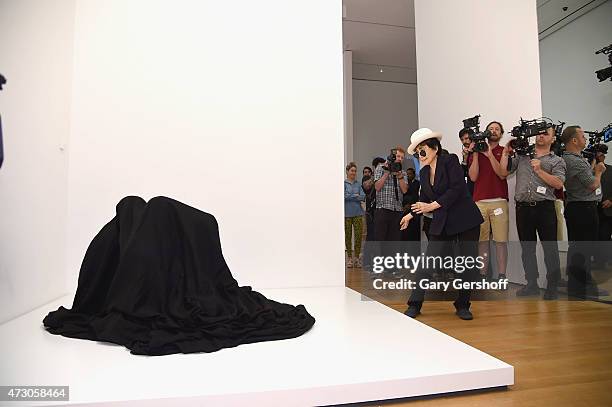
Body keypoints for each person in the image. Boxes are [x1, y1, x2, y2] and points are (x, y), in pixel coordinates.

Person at [400, 128, 484, 320]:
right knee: (428, 263)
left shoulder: (450, 161)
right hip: (442, 222)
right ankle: (414, 303)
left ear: (435, 148)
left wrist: (431, 206)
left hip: (465, 220)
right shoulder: (424, 171)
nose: (420, 155)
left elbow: (457, 189)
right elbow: (422, 199)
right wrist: (410, 215)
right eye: (417, 152)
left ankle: (463, 304)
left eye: (423, 150)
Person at [500, 125, 565, 299]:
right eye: (539, 132)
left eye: (546, 133)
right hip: (523, 209)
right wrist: (506, 153)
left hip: (545, 208)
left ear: (553, 139)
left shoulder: (557, 160)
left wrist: (539, 170)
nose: (541, 136)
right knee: (527, 249)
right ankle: (531, 284)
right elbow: (503, 172)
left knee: (550, 248)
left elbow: (558, 184)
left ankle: (552, 286)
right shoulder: (522, 156)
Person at [560, 126, 605, 299]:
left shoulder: (572, 159)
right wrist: (599, 172)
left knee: (579, 247)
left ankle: (579, 285)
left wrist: (593, 166)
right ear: (574, 140)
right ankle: (580, 288)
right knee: (583, 249)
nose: (585, 139)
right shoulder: (576, 161)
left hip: (577, 207)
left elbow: (585, 176)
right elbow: (592, 184)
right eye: (582, 136)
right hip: (583, 209)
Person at [468, 121, 509, 281]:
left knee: (500, 241)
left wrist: (490, 154)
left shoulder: (503, 150)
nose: (493, 131)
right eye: (490, 129)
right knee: (482, 241)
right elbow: (473, 177)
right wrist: (477, 153)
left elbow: (502, 174)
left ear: (501, 133)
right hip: (479, 201)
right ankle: (482, 275)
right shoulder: (475, 153)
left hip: (499, 200)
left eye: (497, 129)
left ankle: (502, 275)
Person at [373, 148, 409, 241]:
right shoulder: (381, 167)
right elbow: (377, 187)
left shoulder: (403, 173)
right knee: (380, 241)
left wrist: (400, 177)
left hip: (397, 210)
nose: (400, 159)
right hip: (382, 209)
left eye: (402, 157)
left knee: (395, 241)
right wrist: (386, 172)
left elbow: (405, 191)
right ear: (392, 156)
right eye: (398, 156)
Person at [344, 162, 366, 268]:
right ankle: (349, 258)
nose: (353, 173)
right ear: (347, 171)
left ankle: (357, 258)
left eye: (355, 171)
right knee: (348, 236)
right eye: (352, 170)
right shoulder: (344, 184)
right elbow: (344, 196)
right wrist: (355, 196)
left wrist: (352, 196)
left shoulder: (358, 184)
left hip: (358, 213)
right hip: (347, 214)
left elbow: (363, 197)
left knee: (358, 236)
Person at [596, 146, 612, 267]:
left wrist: (611, 200)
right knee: (594, 236)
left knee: (605, 236)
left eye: (601, 155)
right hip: (592, 209)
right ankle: (598, 260)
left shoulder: (611, 170)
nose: (599, 157)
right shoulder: (590, 171)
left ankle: (605, 260)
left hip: (608, 209)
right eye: (597, 155)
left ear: (604, 156)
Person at [401, 167, 421, 242]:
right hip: (404, 208)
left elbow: (416, 196)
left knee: (414, 230)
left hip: (414, 208)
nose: (408, 175)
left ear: (414, 174)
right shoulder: (405, 183)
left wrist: (410, 204)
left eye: (410, 174)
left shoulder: (417, 183)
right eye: (407, 174)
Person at [459, 128, 475, 197]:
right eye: (462, 139)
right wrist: (465, 159)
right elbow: (462, 175)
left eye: (466, 138)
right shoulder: (466, 154)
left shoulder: (481, 151)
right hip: (470, 191)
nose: (464, 141)